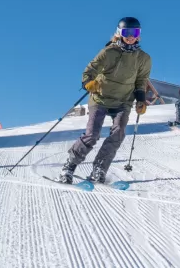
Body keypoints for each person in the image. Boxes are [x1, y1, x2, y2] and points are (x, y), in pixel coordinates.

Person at [58, 17, 152, 184]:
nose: (130, 36)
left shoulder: (143, 58)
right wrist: (89, 83)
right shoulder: (109, 52)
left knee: (118, 134)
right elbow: (89, 70)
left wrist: (140, 100)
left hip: (123, 101)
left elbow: (141, 81)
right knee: (92, 135)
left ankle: (99, 168)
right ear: (119, 33)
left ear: (139, 35)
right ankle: (69, 166)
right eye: (126, 32)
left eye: (135, 32)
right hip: (100, 98)